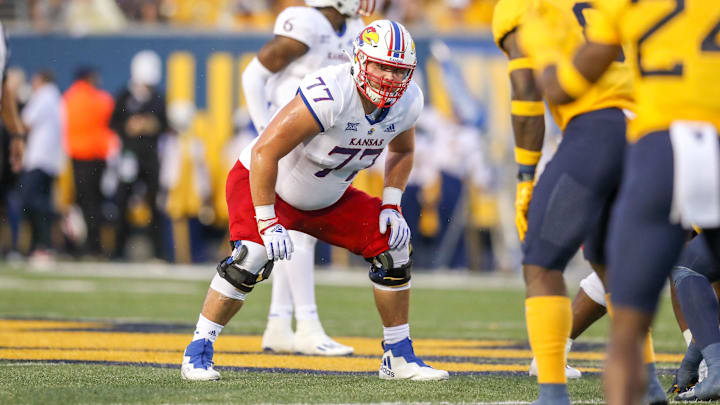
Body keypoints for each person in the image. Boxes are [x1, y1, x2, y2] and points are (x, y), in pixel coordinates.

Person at [180, 19, 448, 382]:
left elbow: (402, 151)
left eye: (397, 70)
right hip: (266, 184)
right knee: (251, 258)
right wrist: (266, 218)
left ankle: (398, 357)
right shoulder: (332, 92)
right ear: (359, 60)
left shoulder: (408, 101)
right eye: (381, 65)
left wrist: (391, 203)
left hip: (328, 196)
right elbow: (264, 153)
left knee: (394, 249)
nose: (388, 77)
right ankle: (198, 351)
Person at [518, 0, 720, 403]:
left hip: (659, 150)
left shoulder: (622, 5)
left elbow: (563, 85)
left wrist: (539, 49)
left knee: (626, 324)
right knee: (683, 266)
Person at [491, 0, 665, 403]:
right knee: (610, 263)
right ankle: (648, 381)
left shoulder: (520, 7)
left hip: (596, 129)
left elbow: (526, 91)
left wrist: (524, 176)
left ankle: (552, 393)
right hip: (651, 131)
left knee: (541, 262)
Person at [240, 0, 372, 357]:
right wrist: (265, 132)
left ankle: (279, 324)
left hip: (318, 140)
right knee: (297, 233)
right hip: (289, 139)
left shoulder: (356, 29)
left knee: (295, 232)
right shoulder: (307, 23)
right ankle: (308, 326)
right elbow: (253, 75)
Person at [110, 50, 168, 261]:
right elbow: (113, 123)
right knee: (122, 201)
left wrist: (153, 125)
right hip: (129, 156)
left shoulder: (158, 97)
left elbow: (165, 124)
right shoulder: (124, 96)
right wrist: (129, 125)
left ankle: (158, 252)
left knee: (154, 204)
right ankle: (118, 251)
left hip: (150, 158)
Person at [62, 67, 116, 258]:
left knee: (80, 203)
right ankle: (94, 246)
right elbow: (109, 118)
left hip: (75, 156)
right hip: (96, 156)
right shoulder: (100, 99)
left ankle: (78, 246)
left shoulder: (69, 98)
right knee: (94, 203)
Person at [18, 70, 63, 260]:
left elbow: (24, 123)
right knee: (42, 203)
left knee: (30, 201)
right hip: (51, 161)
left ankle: (41, 245)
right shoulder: (55, 98)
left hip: (39, 159)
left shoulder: (44, 96)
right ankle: (42, 246)